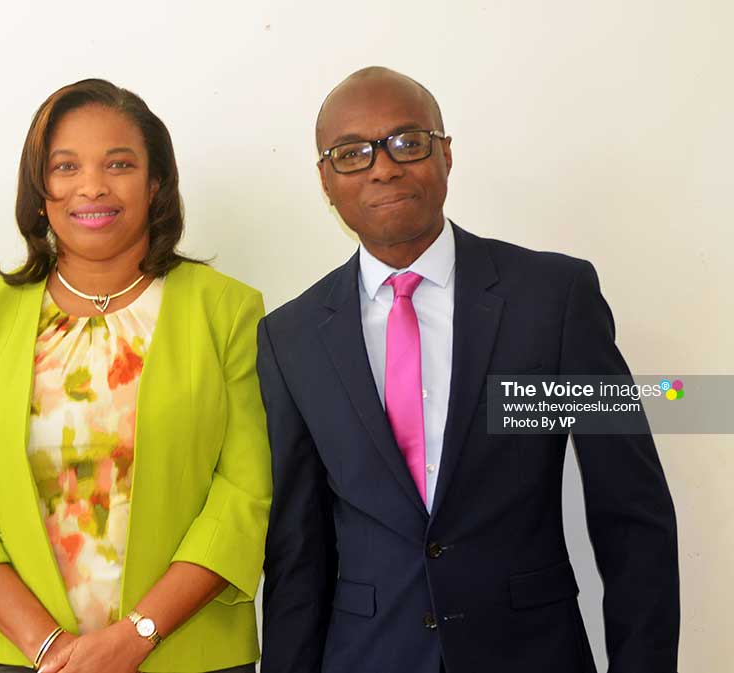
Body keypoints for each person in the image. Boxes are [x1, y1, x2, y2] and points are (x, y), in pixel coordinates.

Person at [257, 66, 679, 673]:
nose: (383, 166)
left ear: (446, 154)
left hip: (531, 652)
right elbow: (299, 550)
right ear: (325, 180)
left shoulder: (554, 298)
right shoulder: (290, 336)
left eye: (407, 142)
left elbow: (631, 511)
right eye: (352, 154)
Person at [0, 78, 271, 673]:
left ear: (155, 182)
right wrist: (50, 649)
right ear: (40, 190)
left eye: (120, 163)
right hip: (23, 657)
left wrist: (136, 636)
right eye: (65, 166)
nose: (92, 185)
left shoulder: (227, 310)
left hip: (188, 651)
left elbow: (243, 494)